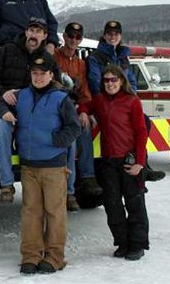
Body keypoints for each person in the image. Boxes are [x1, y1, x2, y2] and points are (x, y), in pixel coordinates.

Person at [0, 51, 81, 275]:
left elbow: (74, 128)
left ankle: (54, 257)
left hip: (53, 167)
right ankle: (31, 256)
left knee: (54, 213)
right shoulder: (21, 95)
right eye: (35, 73)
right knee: (31, 213)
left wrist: (54, 141)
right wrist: (3, 111)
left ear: (51, 75)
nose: (38, 77)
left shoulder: (62, 98)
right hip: (29, 167)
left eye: (43, 73)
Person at [79, 65, 149, 261]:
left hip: (129, 161)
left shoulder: (132, 101)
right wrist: (84, 112)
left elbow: (141, 132)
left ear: (122, 81)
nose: (110, 83)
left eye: (114, 80)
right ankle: (122, 242)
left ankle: (137, 245)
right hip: (108, 162)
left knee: (135, 203)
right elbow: (86, 105)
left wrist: (140, 163)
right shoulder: (100, 100)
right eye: (106, 80)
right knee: (113, 205)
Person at [87, 20, 166, 182]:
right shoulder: (96, 57)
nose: (112, 37)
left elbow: (132, 82)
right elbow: (95, 83)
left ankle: (142, 164)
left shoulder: (123, 57)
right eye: (109, 34)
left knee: (144, 122)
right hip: (104, 103)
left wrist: (130, 99)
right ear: (104, 36)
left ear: (120, 36)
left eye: (116, 34)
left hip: (124, 103)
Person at [0, 17, 50, 204]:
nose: (33, 35)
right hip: (6, 105)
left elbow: (55, 86)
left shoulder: (48, 59)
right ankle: (6, 183)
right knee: (1, 127)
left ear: (45, 36)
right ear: (26, 32)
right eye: (31, 30)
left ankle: (46, 184)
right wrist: (4, 93)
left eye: (38, 31)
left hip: (34, 108)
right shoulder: (7, 51)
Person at [55, 22, 103, 211]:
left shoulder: (80, 64)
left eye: (77, 37)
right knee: (73, 130)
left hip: (73, 110)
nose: (73, 40)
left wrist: (84, 110)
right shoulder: (53, 57)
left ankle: (87, 178)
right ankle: (68, 191)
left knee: (83, 124)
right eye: (70, 36)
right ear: (64, 37)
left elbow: (84, 93)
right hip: (55, 107)